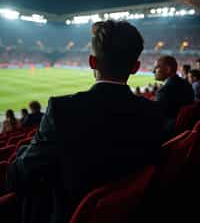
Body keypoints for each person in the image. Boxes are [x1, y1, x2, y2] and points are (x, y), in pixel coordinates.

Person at [8, 20, 164, 223]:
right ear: (135, 67)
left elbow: (21, 174)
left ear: (92, 62)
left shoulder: (62, 110)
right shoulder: (153, 111)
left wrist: (20, 152)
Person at [154, 55, 194, 139]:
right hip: (183, 131)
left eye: (157, 67)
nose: (153, 71)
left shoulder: (165, 90)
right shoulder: (186, 84)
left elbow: (155, 116)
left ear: (168, 69)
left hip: (168, 134)